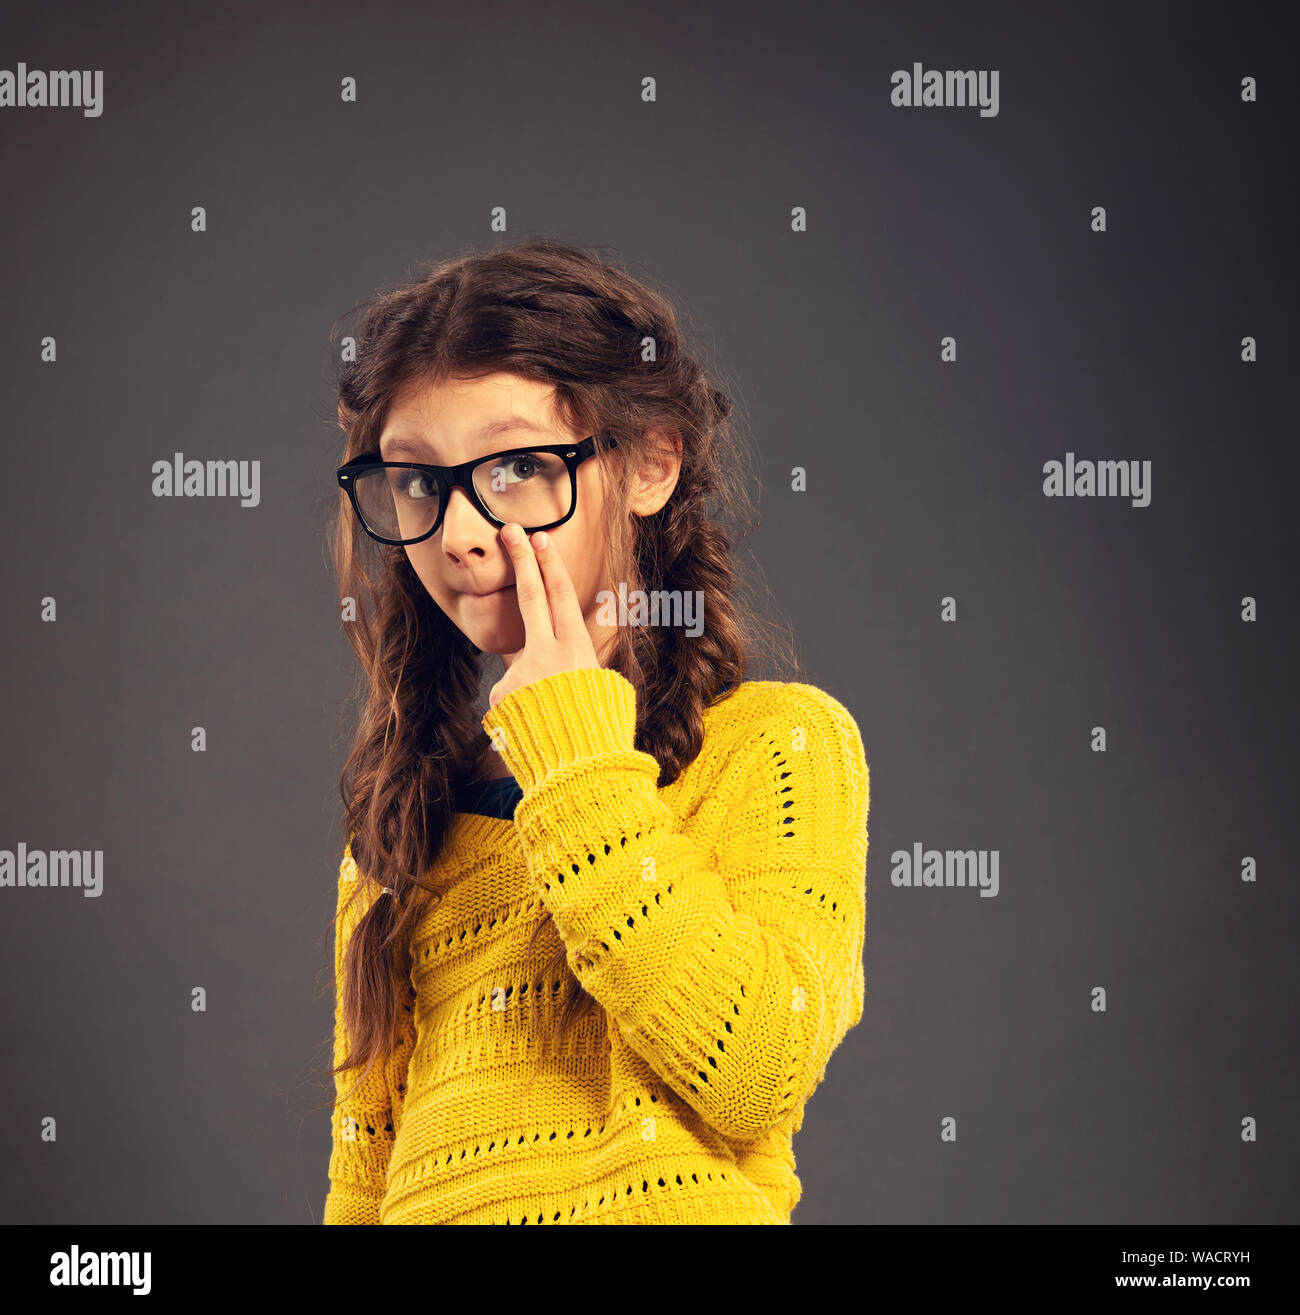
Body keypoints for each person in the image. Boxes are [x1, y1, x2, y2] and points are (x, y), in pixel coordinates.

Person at [321, 238, 870, 1224]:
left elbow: (754, 1067)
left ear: (653, 461)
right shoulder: (402, 828)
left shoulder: (777, 748)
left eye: (519, 466)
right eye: (416, 480)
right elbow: (364, 1177)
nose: (459, 531)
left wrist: (575, 753)